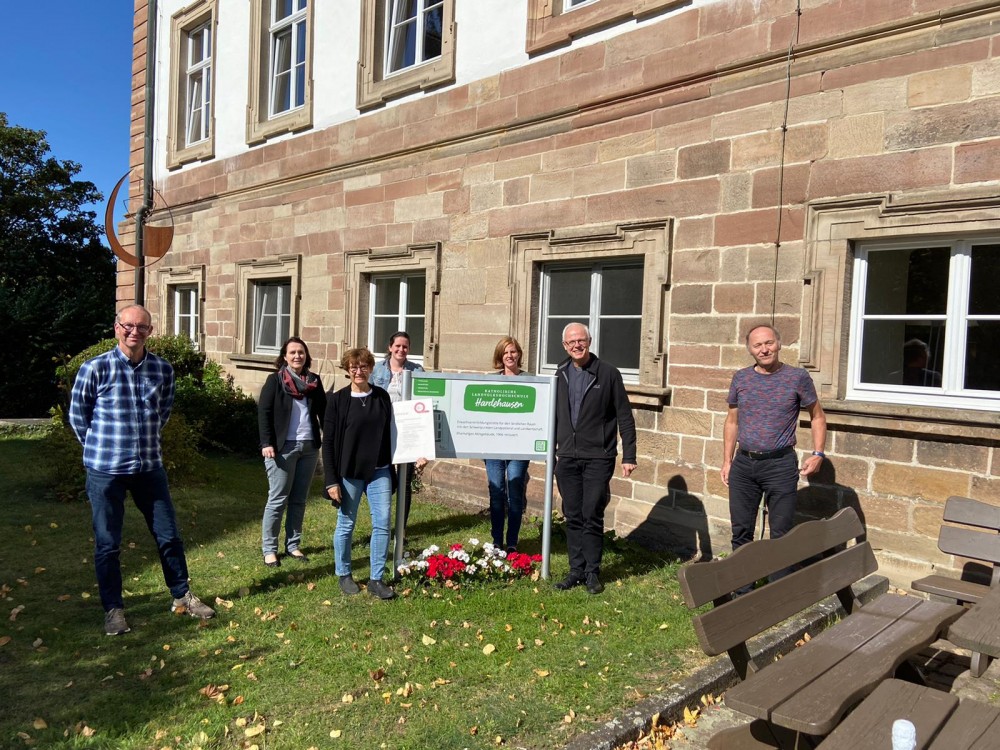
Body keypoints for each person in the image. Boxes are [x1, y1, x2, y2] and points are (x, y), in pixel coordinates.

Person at [68, 304, 215, 636]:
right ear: (116, 327)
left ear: (150, 332)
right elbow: (79, 418)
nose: (134, 332)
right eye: (128, 326)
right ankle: (113, 609)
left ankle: (182, 596)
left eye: (142, 328)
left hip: (149, 468)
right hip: (105, 470)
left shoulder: (163, 371)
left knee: (169, 535)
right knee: (108, 543)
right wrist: (99, 448)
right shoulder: (94, 369)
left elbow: (162, 413)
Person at [721, 324, 827, 559]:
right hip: (744, 465)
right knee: (741, 532)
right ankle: (743, 591)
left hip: (780, 465)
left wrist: (818, 454)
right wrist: (727, 461)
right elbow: (732, 422)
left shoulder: (797, 378)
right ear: (750, 349)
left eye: (769, 343)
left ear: (778, 344)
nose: (764, 349)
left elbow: (817, 416)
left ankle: (779, 591)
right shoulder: (741, 378)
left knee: (781, 536)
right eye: (757, 345)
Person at [552, 323, 637, 595]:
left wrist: (629, 455)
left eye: (581, 340)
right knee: (572, 514)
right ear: (564, 346)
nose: (576, 345)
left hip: (598, 457)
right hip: (566, 456)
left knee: (591, 513)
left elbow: (624, 414)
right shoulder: (560, 374)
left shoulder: (608, 373)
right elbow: (552, 415)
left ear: (589, 341)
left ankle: (592, 572)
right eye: (571, 342)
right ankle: (575, 570)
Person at [324, 348, 397, 600]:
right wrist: (331, 481)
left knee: (383, 523)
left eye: (364, 366)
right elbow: (329, 443)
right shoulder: (337, 400)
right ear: (347, 369)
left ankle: (376, 578)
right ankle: (344, 573)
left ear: (370, 368)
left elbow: (392, 435)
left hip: (379, 472)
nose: (358, 371)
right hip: (350, 473)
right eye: (353, 367)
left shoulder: (382, 397)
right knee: (346, 523)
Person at [257, 337, 327, 568]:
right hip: (282, 448)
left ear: (306, 355)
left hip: (308, 447)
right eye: (293, 352)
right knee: (277, 499)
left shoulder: (314, 382)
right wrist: (266, 442)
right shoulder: (275, 381)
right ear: (284, 357)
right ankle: (269, 549)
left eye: (301, 352)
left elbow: (324, 413)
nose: (298, 356)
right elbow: (264, 412)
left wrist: (331, 439)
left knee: (299, 500)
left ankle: (293, 545)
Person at [369, 330, 427, 526]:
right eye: (398, 346)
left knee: (405, 482)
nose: (401, 349)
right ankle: (381, 525)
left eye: (405, 346)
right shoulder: (377, 370)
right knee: (381, 480)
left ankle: (401, 529)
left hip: (406, 432)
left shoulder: (417, 371)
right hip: (381, 431)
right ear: (390, 348)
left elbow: (424, 403)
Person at [483, 336, 530, 552]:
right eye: (505, 353)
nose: (509, 356)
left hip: (520, 446)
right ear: (499, 357)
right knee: (496, 491)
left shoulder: (531, 380)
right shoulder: (489, 381)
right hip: (493, 446)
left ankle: (512, 542)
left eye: (513, 352)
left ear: (519, 354)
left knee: (515, 488)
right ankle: (496, 540)